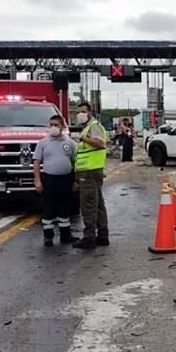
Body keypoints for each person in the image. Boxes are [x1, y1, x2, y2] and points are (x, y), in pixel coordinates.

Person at [33, 115, 78, 246]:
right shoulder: (43, 143)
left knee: (65, 207)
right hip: (49, 179)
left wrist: (76, 181)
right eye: (51, 124)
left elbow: (76, 162)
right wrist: (37, 181)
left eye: (56, 125)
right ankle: (48, 236)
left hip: (66, 179)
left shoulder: (70, 143)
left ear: (62, 126)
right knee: (49, 207)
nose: (53, 127)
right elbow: (36, 162)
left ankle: (65, 235)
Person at [72, 102, 109, 249]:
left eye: (82, 112)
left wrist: (82, 139)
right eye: (78, 112)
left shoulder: (94, 126)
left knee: (88, 204)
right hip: (91, 170)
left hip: (90, 171)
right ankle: (102, 235)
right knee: (98, 203)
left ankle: (89, 237)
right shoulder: (89, 127)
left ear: (89, 112)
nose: (80, 115)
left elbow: (100, 143)